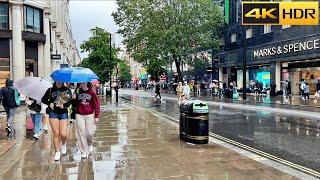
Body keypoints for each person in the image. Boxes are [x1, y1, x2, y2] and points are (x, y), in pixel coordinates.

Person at [42, 81, 72, 161]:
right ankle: (57, 151)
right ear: (55, 81)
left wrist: (64, 105)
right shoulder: (50, 90)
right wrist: (49, 103)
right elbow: (43, 99)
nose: (59, 82)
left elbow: (70, 102)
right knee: (56, 133)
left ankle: (63, 144)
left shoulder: (66, 90)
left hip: (63, 113)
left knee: (63, 134)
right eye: (57, 80)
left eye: (60, 80)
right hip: (53, 113)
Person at [72, 82, 100, 159]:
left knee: (90, 133)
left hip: (89, 115)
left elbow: (96, 104)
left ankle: (89, 144)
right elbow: (74, 105)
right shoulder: (77, 91)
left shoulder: (92, 92)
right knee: (81, 133)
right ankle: (83, 151)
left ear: (85, 82)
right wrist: (74, 99)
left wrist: (96, 116)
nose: (80, 83)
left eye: (81, 82)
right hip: (79, 115)